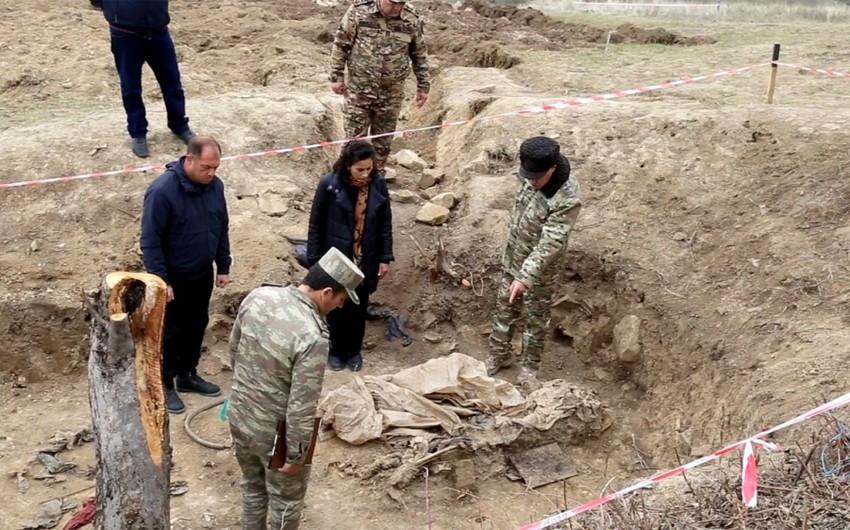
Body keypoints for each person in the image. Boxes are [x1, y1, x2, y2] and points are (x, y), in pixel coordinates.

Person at [228, 247, 364, 530]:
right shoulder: (312, 336)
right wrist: (296, 455)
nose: (340, 306)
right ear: (326, 292)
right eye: (340, 299)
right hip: (275, 434)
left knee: (252, 488)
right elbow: (302, 405)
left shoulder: (258, 296)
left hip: (240, 417)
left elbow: (234, 352)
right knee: (285, 502)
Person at [140, 136, 231, 414]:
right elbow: (150, 240)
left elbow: (221, 226)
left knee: (196, 324)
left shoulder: (215, 187)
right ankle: (164, 382)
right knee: (171, 331)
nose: (211, 173)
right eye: (206, 167)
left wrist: (223, 264)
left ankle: (187, 374)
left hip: (201, 273)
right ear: (189, 159)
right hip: (173, 279)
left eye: (215, 167)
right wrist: (161, 280)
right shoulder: (162, 191)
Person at [485, 136, 582, 383]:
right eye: (528, 175)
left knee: (536, 318)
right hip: (514, 256)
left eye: (537, 177)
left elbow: (551, 243)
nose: (531, 181)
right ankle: (498, 354)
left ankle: (529, 368)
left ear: (553, 168)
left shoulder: (567, 198)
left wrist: (526, 276)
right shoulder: (530, 174)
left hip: (541, 271)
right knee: (505, 309)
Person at [307, 141, 394, 372]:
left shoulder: (378, 185)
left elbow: (385, 222)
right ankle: (335, 351)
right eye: (360, 170)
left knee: (358, 306)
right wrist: (315, 260)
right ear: (348, 166)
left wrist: (385, 257)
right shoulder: (329, 185)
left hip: (365, 257)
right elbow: (316, 224)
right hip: (336, 256)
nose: (366, 174)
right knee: (336, 307)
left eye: (369, 169)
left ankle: (354, 352)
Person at [329, 0, 430, 173]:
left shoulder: (410, 18)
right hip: (359, 91)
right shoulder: (359, 11)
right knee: (354, 141)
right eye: (393, 3)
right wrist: (336, 76)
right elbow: (341, 44)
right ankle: (346, 180)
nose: (397, 8)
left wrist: (423, 86)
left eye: (401, 4)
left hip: (391, 94)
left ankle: (375, 181)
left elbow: (419, 54)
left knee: (383, 143)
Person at [99, 0, 196, 158]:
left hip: (159, 30)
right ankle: (138, 133)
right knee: (131, 87)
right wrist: (115, 10)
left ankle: (179, 125)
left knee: (172, 82)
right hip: (124, 33)